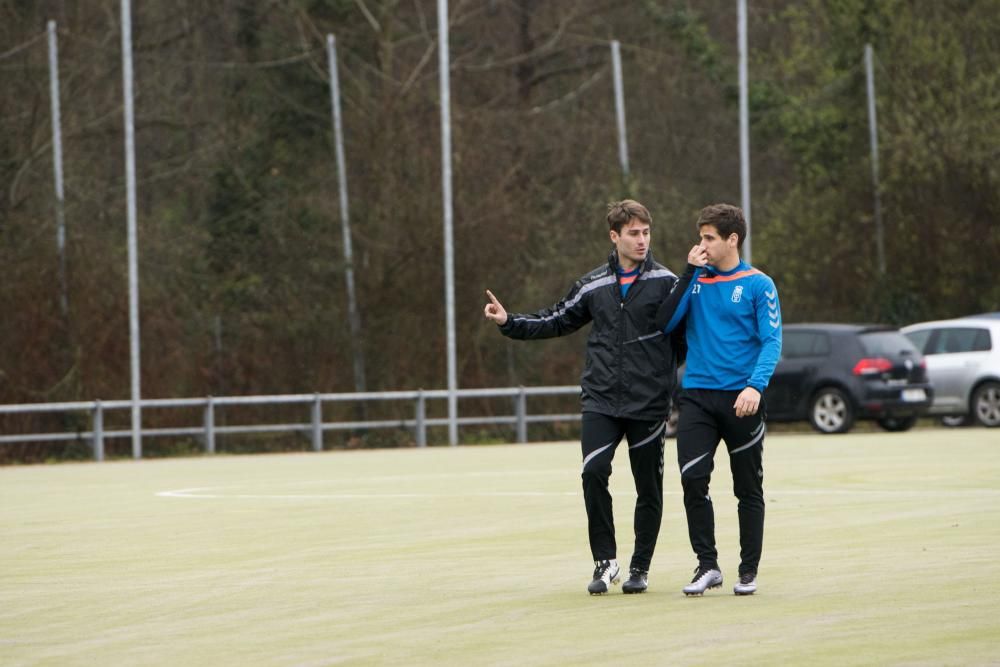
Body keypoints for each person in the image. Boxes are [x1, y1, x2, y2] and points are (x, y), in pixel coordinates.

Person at [483, 200, 684, 595]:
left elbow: (686, 337)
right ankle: (605, 561)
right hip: (601, 398)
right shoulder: (593, 284)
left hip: (648, 403)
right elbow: (556, 319)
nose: (642, 240)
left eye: (646, 233)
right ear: (615, 237)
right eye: (633, 233)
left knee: (649, 488)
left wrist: (665, 379)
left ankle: (639, 566)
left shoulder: (667, 283)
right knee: (593, 474)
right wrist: (510, 323)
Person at [655, 203, 781, 596]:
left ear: (732, 239)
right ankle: (707, 566)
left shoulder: (760, 284)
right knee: (692, 479)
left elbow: (771, 341)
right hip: (696, 397)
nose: (702, 244)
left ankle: (748, 571)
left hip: (742, 399)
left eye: (710, 237)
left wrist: (754, 387)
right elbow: (665, 322)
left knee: (748, 487)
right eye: (701, 236)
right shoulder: (696, 279)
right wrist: (689, 272)